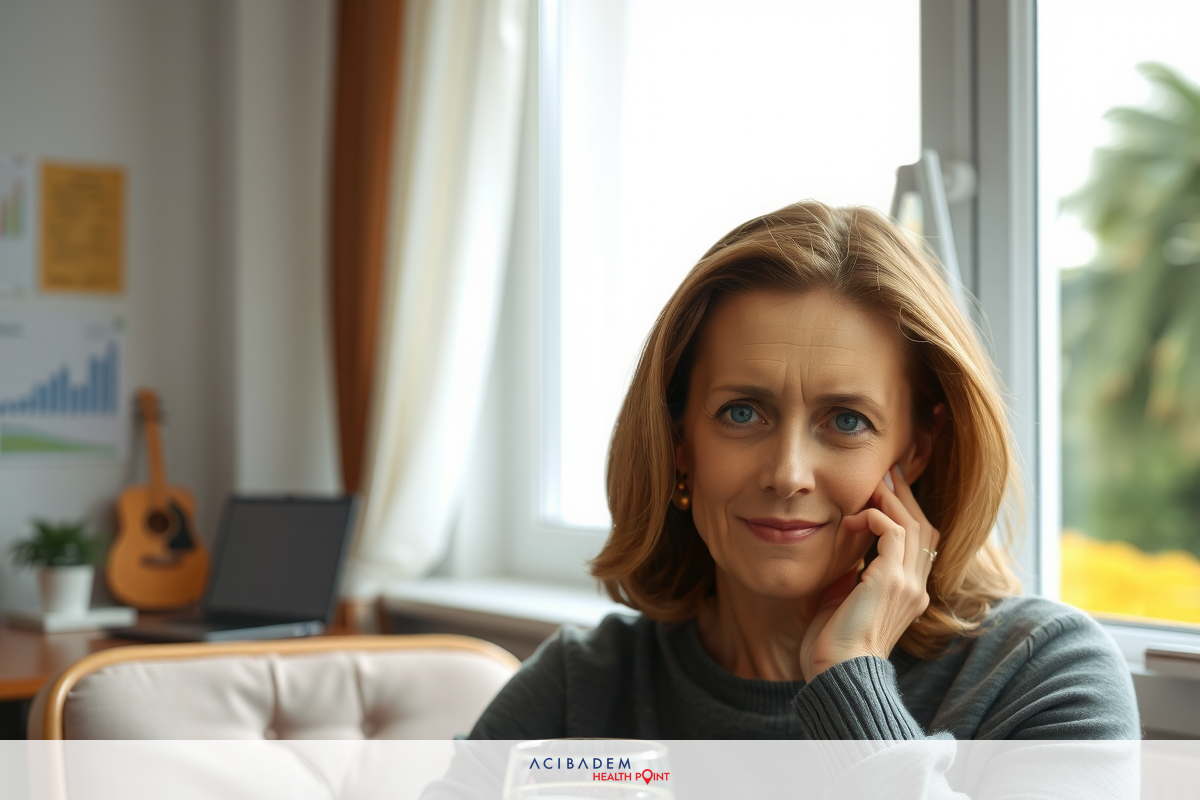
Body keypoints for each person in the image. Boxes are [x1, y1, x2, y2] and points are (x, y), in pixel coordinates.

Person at [469, 201, 1139, 741]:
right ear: (679, 440)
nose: (788, 473)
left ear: (916, 451)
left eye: (846, 420)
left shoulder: (1045, 675)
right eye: (741, 413)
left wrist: (851, 683)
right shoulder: (579, 690)